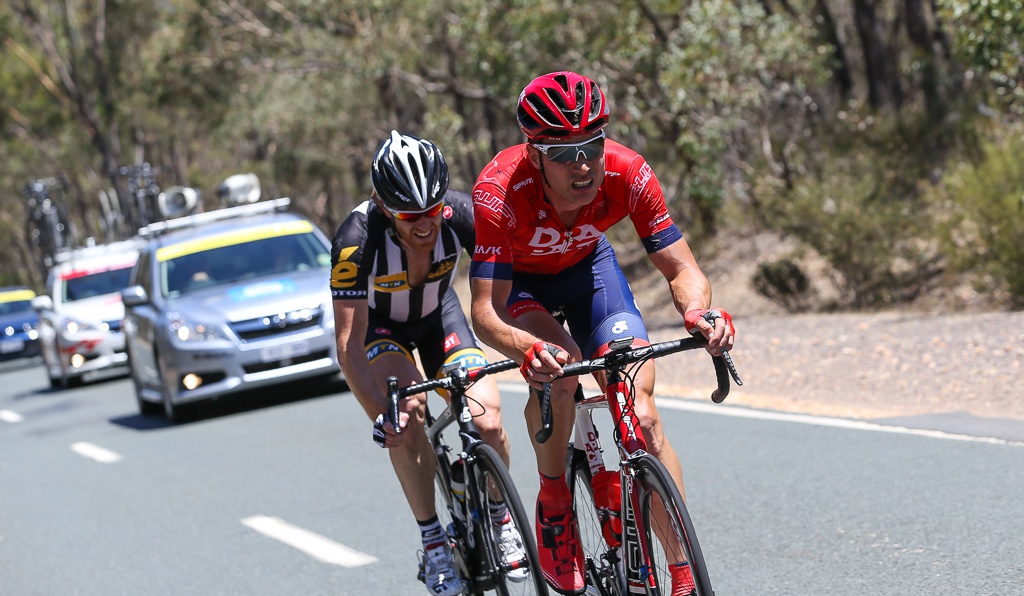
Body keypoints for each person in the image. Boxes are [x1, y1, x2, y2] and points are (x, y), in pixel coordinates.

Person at [469, 71, 736, 595]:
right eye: (564, 153)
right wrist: (527, 348)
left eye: (591, 145)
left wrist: (699, 312)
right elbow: (486, 311)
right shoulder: (499, 191)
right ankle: (554, 503)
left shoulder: (628, 171)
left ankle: (681, 570)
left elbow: (682, 270)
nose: (584, 164)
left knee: (644, 415)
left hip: (592, 274)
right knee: (562, 373)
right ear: (534, 153)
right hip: (522, 288)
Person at [331, 131, 528, 596]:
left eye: (432, 210)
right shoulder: (355, 239)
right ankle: (433, 538)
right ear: (383, 205)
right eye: (409, 216)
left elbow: (508, 292)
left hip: (442, 317)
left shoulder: (463, 214)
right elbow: (348, 346)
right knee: (407, 415)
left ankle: (501, 516)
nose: (425, 226)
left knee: (490, 421)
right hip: (383, 331)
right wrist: (381, 413)